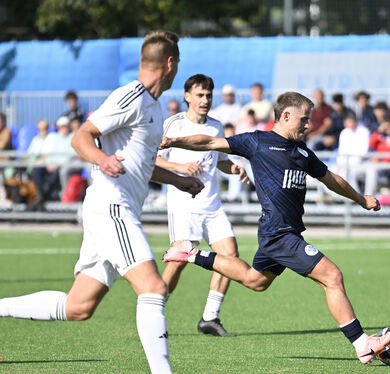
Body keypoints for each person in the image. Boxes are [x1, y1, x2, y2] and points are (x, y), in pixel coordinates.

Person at [0, 30, 204, 374]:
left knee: (78, 306)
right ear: (169, 64)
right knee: (153, 288)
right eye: (178, 63)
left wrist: (178, 180)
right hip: (112, 207)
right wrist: (100, 159)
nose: (177, 69)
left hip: (113, 209)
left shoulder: (152, 107)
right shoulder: (131, 96)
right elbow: (82, 136)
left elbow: (139, 163)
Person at [160, 91, 390, 364]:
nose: (308, 126)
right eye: (304, 120)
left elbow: (331, 179)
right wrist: (174, 140)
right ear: (286, 116)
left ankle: (191, 254)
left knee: (255, 280)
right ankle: (362, 344)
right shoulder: (257, 142)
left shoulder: (302, 151)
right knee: (332, 276)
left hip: (284, 232)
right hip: (278, 233)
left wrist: (361, 199)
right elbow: (210, 141)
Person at [157, 74, 247, 337]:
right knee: (178, 262)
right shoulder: (172, 125)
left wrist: (233, 168)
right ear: (187, 97)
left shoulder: (216, 126)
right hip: (182, 205)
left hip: (212, 205)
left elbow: (218, 160)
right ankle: (153, 313)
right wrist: (179, 167)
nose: (205, 100)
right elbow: (153, 160)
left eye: (208, 95)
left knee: (229, 257)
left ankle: (210, 317)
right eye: (200, 95)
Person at [31, 116, 76, 202]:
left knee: (57, 173)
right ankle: (43, 194)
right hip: (51, 164)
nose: (63, 128)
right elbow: (49, 152)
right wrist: (49, 163)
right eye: (61, 126)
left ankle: (44, 196)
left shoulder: (72, 137)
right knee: (37, 170)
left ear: (68, 126)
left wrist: (56, 164)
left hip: (62, 165)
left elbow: (71, 155)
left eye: (65, 126)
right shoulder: (53, 137)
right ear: (58, 127)